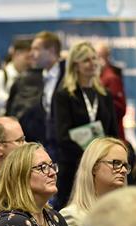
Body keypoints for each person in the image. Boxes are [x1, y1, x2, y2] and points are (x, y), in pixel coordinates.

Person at [53, 41, 118, 211]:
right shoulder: (64, 95)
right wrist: (89, 157)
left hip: (102, 166)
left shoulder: (104, 95)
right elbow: (62, 135)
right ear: (76, 65)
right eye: (86, 60)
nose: (93, 63)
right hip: (73, 166)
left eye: (94, 59)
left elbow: (112, 132)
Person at [60, 137, 130, 226]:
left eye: (125, 165)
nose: (122, 170)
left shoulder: (127, 214)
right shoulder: (73, 216)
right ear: (94, 167)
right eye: (116, 163)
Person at [6, 31, 65, 156]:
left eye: (36, 49)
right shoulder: (28, 79)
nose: (31, 54)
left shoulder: (68, 78)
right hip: (38, 149)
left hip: (63, 152)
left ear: (51, 50)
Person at [97, 43, 127, 140]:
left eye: (95, 57)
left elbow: (119, 109)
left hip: (110, 135)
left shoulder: (110, 78)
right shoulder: (99, 77)